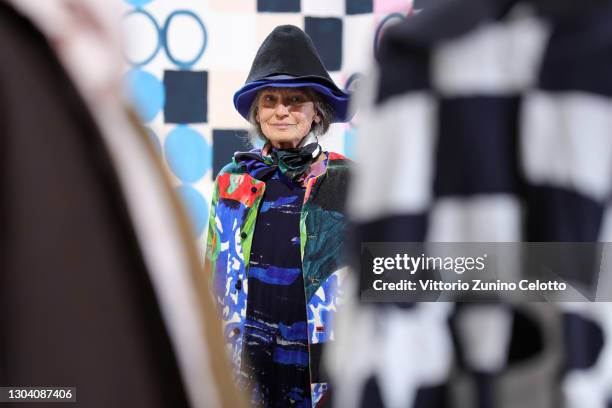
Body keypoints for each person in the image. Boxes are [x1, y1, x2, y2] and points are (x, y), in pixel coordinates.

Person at [205, 25, 352, 407]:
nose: (281, 110)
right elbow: (213, 276)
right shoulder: (231, 181)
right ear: (257, 111)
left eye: (295, 99)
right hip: (246, 365)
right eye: (270, 99)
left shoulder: (350, 180)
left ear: (316, 110)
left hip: (322, 366)